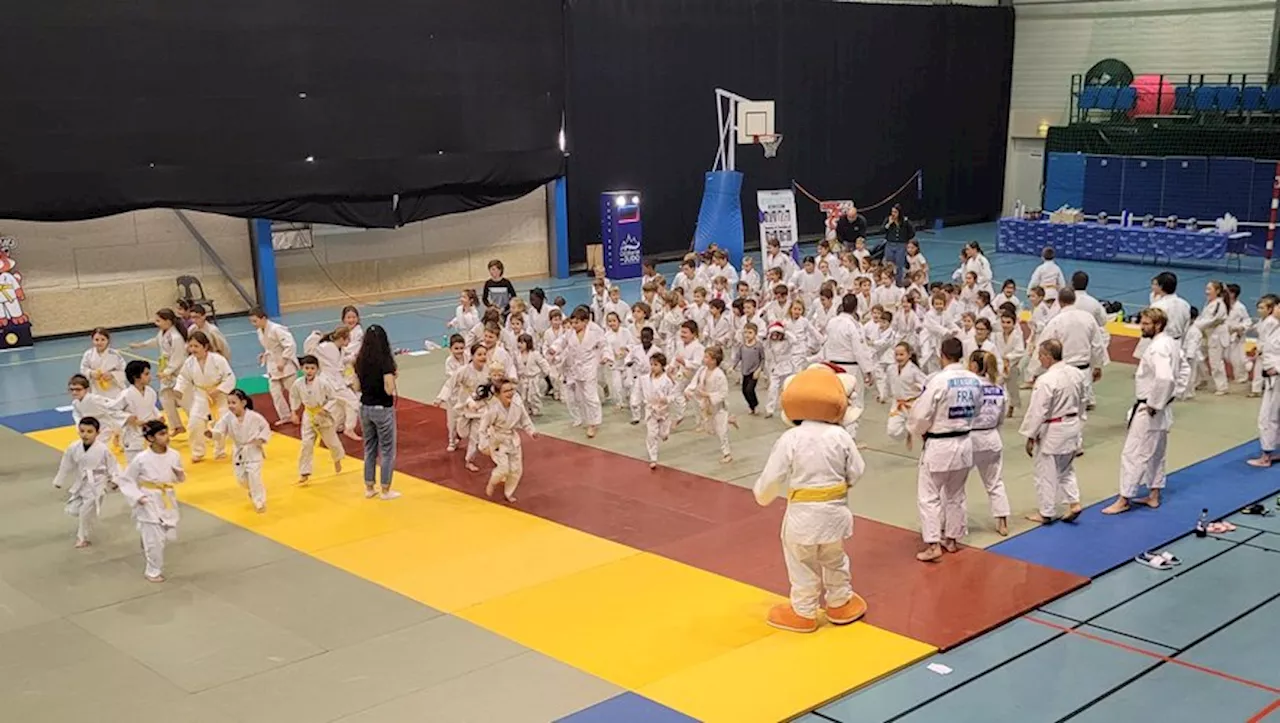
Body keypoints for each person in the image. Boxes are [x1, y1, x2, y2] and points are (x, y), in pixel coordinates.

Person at [754, 364, 867, 633]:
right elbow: (857, 470)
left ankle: (803, 612)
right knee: (834, 558)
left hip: (803, 513)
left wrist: (762, 495)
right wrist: (844, 484)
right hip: (835, 511)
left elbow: (772, 477)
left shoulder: (791, 438)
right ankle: (840, 602)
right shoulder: (841, 435)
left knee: (802, 562)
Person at [1103, 308, 1189, 512]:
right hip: (1162, 407)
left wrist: (1155, 403)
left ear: (1158, 325)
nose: (1142, 326)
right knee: (1157, 452)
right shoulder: (1171, 343)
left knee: (1133, 453)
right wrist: (1172, 396)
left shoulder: (1158, 348)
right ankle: (1154, 494)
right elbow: (1184, 370)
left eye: (1146, 323)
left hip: (1149, 409)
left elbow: (1165, 377)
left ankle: (1124, 499)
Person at [907, 337, 981, 562]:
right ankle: (952, 539)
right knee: (956, 493)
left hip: (940, 443)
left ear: (942, 355)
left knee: (929, 496)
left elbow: (920, 415)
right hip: (965, 441)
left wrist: (917, 430)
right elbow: (977, 409)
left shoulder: (939, 381)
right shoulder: (974, 380)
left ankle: (932, 544)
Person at [1019, 340, 1085, 524]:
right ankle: (1074, 502)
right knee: (1066, 469)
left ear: (1048, 356)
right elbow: (1083, 401)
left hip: (1053, 429)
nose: (1039, 359)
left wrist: (1030, 435)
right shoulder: (1077, 374)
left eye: (1040, 355)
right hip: (1072, 423)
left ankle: (1046, 512)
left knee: (1045, 472)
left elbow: (1038, 410)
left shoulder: (1047, 379)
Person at [116, 420, 185, 582]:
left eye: (166, 433)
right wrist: (138, 496)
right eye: (161, 434)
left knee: (165, 534)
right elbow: (126, 480)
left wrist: (179, 474)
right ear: (150, 438)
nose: (166, 437)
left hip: (166, 496)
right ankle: (153, 571)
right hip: (148, 498)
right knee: (156, 540)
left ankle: (146, 540)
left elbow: (178, 479)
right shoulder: (141, 459)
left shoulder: (174, 455)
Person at [1037, 288, 1106, 448]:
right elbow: (1097, 345)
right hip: (1083, 370)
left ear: (1060, 301)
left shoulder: (1056, 321)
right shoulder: (1088, 319)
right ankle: (1077, 442)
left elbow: (1044, 345)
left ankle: (1062, 441)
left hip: (1062, 370)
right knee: (1080, 409)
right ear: (1075, 300)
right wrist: (1098, 366)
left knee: (1060, 407)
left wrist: (1037, 370)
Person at [52, 416, 119, 548]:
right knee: (73, 510)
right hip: (81, 481)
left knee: (85, 511)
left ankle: (82, 538)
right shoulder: (74, 447)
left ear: (97, 433)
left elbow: (113, 465)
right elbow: (66, 464)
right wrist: (59, 480)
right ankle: (86, 526)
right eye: (82, 431)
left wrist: (115, 479)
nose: (85, 435)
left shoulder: (103, 449)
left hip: (97, 483)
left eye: (89, 431)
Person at [354, 324, 399, 500]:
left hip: (364, 407)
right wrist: (394, 378)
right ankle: (386, 489)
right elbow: (389, 390)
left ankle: (369, 487)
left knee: (369, 448)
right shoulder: (385, 361)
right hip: (382, 408)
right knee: (387, 450)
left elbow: (356, 386)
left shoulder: (359, 361)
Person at [968, 351, 1011, 537]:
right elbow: (1001, 418)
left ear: (975, 366)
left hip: (969, 438)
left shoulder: (969, 388)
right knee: (995, 482)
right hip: (992, 436)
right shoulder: (999, 389)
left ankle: (951, 524)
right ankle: (1002, 522)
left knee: (954, 485)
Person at [129, 308, 189, 434]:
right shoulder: (163, 333)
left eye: (158, 321)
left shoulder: (176, 337)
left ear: (168, 321)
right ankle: (177, 426)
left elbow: (178, 358)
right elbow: (156, 341)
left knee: (184, 400)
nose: (156, 323)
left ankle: (200, 424)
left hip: (178, 372)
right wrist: (140, 345)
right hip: (166, 371)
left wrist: (167, 371)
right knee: (165, 397)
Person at [477, 377, 538, 502]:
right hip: (498, 440)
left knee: (516, 470)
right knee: (503, 469)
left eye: (512, 390)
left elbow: (525, 420)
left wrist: (532, 432)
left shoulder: (517, 405)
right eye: (506, 391)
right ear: (498, 394)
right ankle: (492, 483)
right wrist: (484, 445)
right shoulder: (492, 410)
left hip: (512, 438)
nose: (510, 393)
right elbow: (482, 429)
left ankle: (508, 493)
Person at [211, 390, 272, 513]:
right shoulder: (227, 418)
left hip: (253, 449)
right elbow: (219, 431)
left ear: (243, 403)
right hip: (239, 451)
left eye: (234, 402)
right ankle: (253, 490)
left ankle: (259, 502)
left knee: (254, 476)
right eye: (229, 403)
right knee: (242, 480)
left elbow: (265, 427)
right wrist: (212, 434)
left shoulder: (254, 417)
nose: (230, 406)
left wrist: (261, 438)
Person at [290, 354, 346, 485]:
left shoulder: (323, 383)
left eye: (312, 368)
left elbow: (333, 398)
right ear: (302, 369)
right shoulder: (298, 384)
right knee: (306, 444)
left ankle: (337, 459)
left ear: (317, 369)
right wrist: (294, 412)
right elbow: (294, 397)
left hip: (323, 414)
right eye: (306, 368)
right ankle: (304, 472)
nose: (309, 371)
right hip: (309, 414)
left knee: (331, 442)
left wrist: (325, 408)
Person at [556, 307, 608, 438]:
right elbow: (561, 342)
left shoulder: (593, 333)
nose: (573, 325)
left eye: (577, 323)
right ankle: (586, 418)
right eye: (572, 323)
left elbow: (604, 345)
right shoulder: (570, 333)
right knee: (580, 397)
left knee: (591, 396)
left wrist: (605, 356)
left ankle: (594, 423)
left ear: (585, 322)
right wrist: (553, 349)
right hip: (576, 368)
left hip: (589, 367)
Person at [250, 307, 300, 426]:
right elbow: (270, 348)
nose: (253, 324)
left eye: (255, 321)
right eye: (252, 321)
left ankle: (305, 411)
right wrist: (264, 354)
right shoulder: (260, 331)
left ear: (263, 318)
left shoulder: (277, 329)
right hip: (272, 365)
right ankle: (285, 416)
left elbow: (290, 345)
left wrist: (283, 360)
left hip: (286, 365)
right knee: (275, 392)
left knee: (294, 391)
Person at [687, 345, 734, 463]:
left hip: (718, 406)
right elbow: (694, 382)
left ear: (714, 361)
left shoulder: (719, 375)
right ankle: (729, 419)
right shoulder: (702, 370)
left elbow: (723, 393)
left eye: (707, 357)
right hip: (706, 404)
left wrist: (708, 395)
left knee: (721, 431)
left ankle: (727, 454)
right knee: (710, 428)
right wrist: (688, 390)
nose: (704, 359)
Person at [1249, 297, 1280, 466]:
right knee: (1276, 415)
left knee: (1267, 416)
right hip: (1271, 376)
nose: (1276, 309)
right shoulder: (1273, 326)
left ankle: (1266, 456)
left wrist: (1276, 368)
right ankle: (1274, 449)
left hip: (1276, 378)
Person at [886, 342, 927, 450]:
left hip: (913, 404)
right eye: (896, 355)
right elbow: (888, 383)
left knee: (921, 432)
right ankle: (907, 430)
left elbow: (926, 384)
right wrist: (884, 395)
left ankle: (927, 450)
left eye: (901, 354)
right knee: (892, 431)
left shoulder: (914, 370)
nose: (898, 357)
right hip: (898, 404)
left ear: (909, 355)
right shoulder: (891, 369)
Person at [120, 360, 161, 463]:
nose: (150, 377)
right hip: (133, 436)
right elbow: (113, 411)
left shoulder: (150, 392)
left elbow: (151, 407)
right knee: (135, 468)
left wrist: (159, 416)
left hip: (149, 433)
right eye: (146, 374)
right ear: (136, 377)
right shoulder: (126, 395)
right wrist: (128, 419)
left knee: (152, 465)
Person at [1195, 280, 1231, 396]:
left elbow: (1212, 320)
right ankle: (1203, 378)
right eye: (1206, 289)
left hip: (1216, 335)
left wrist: (1196, 326)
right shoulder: (1210, 303)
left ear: (1218, 291)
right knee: (1198, 356)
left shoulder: (1219, 304)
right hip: (1206, 334)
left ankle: (1222, 387)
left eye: (1209, 289)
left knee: (1215, 362)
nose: (1207, 292)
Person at [80, 328, 127, 401]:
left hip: (114, 388)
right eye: (96, 340)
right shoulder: (88, 354)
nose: (99, 342)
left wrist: (112, 374)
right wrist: (91, 373)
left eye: (103, 339)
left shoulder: (115, 354)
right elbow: (83, 369)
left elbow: (124, 370)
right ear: (92, 340)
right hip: (95, 388)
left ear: (108, 340)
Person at [881, 204, 915, 284]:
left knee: (899, 265)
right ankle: (888, 280)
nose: (893, 214)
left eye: (895, 212)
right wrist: (889, 224)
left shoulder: (905, 222)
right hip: (890, 244)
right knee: (889, 263)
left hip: (901, 245)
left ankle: (898, 282)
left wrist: (905, 240)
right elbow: (882, 230)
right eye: (892, 212)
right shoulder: (888, 220)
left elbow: (912, 232)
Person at [738, 323, 764, 415]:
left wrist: (759, 370)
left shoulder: (758, 346)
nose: (747, 335)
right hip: (745, 371)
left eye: (750, 332)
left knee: (750, 389)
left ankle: (755, 405)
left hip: (754, 372)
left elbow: (763, 358)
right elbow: (738, 357)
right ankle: (751, 406)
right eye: (745, 332)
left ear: (755, 334)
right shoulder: (742, 346)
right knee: (744, 391)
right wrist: (732, 366)